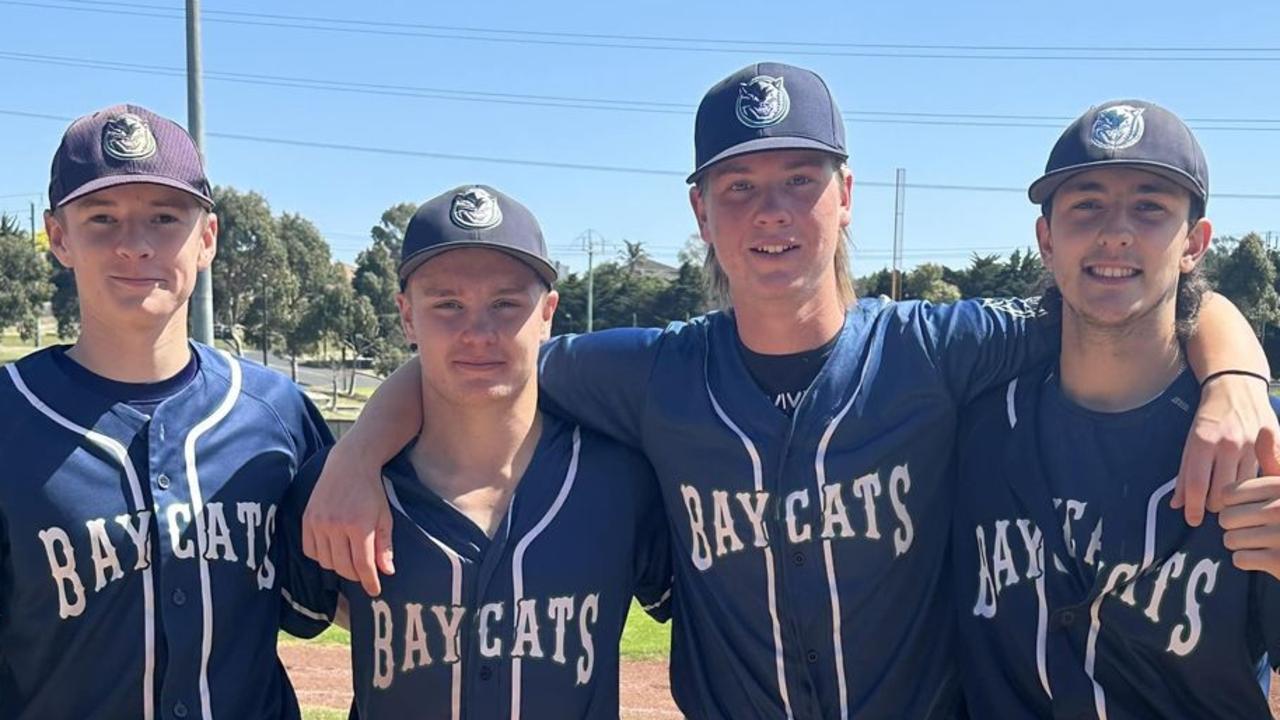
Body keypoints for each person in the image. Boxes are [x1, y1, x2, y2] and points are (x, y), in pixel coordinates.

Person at [303, 64, 1274, 720]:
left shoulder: (938, 348)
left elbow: (1130, 296)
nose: (770, 212)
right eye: (738, 187)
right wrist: (354, 453)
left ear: (843, 195)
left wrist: (1233, 374)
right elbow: (480, 346)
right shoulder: (653, 372)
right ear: (697, 212)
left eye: (798, 180)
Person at [278, 185, 672, 720]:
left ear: (548, 312)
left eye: (506, 304)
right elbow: (284, 626)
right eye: (447, 305)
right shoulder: (336, 489)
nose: (478, 332)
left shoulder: (623, 482)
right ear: (407, 316)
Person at [0, 104, 331, 719]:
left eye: (164, 217)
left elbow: (322, 605)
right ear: (58, 237)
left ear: (206, 238)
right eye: (102, 218)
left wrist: (367, 452)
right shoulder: (9, 414)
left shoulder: (276, 413)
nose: (135, 245)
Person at [954, 100, 1280, 719]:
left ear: (1194, 243)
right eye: (1087, 205)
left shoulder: (1253, 446)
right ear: (1046, 239)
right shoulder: (973, 429)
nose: (1116, 231)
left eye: (1151, 206)